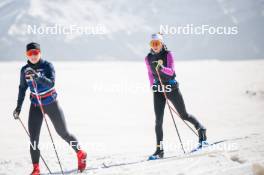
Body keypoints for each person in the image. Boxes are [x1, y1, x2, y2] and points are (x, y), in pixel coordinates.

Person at [13, 42, 87, 174]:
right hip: (35, 105)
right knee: (33, 139)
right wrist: (18, 107)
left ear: (40, 53)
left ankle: (80, 153)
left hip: (51, 104)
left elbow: (51, 83)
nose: (33, 56)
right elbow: (22, 88)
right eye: (30, 53)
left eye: (35, 53)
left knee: (63, 133)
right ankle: (36, 169)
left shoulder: (47, 66)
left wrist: (37, 76)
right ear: (26, 55)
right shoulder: (24, 70)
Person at [145, 33, 207, 159]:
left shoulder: (168, 54)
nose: (155, 46)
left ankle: (201, 130)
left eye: (157, 43)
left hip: (171, 88)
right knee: (158, 121)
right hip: (158, 90)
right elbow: (150, 74)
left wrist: (161, 67)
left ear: (161, 43)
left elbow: (171, 71)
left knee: (183, 115)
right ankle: (159, 150)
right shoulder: (148, 58)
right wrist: (153, 86)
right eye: (152, 44)